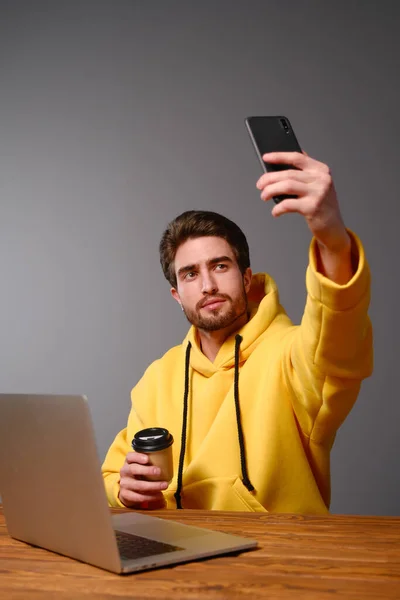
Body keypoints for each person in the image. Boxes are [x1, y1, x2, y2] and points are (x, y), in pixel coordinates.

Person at [101, 151, 373, 514]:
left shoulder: (290, 355)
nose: (208, 285)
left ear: (246, 277)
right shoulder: (158, 378)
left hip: (281, 556)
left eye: (220, 266)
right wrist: (126, 489)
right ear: (177, 296)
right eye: (191, 274)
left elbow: (337, 337)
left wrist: (332, 241)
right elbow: (114, 473)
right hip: (182, 555)